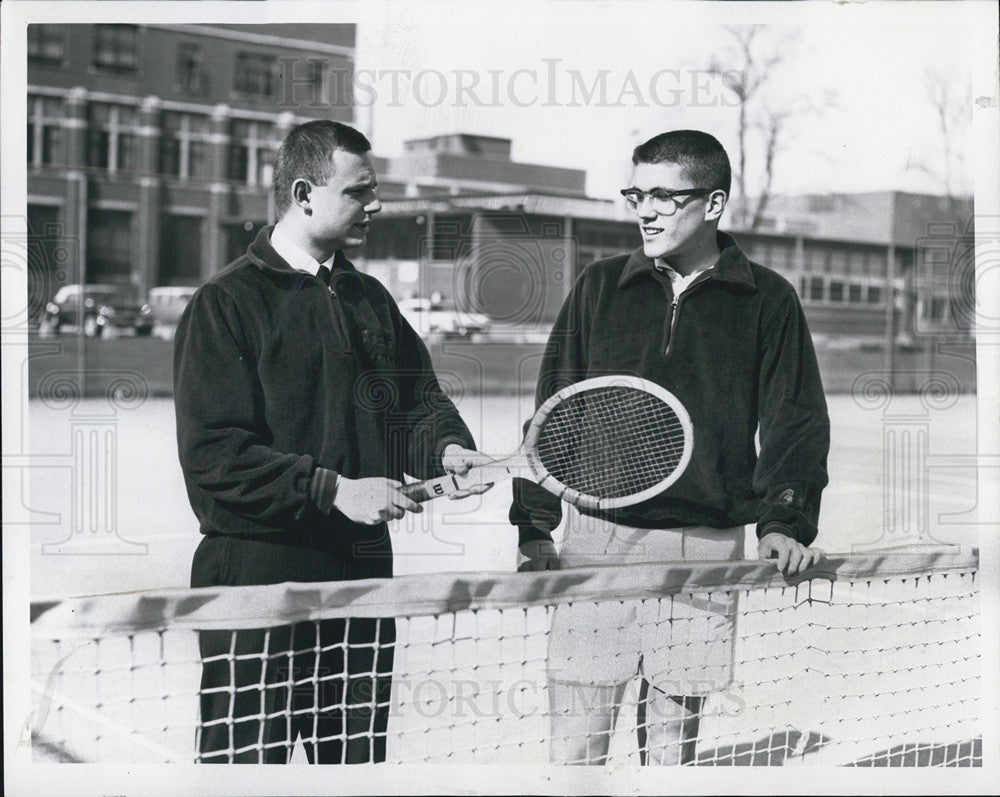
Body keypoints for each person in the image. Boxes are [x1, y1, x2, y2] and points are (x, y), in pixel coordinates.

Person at [510, 130, 830, 765]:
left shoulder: (768, 299)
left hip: (703, 548)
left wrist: (786, 519)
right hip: (596, 541)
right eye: (636, 193)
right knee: (576, 754)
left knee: (669, 756)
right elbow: (553, 413)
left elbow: (794, 418)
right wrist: (534, 526)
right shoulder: (601, 285)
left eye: (662, 195)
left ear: (711, 204)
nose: (644, 210)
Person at [174, 120, 486, 764]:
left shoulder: (369, 297)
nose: (376, 205)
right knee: (244, 768)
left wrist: (447, 449)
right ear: (304, 192)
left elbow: (418, 402)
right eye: (360, 191)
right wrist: (333, 490)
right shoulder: (225, 302)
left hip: (362, 572)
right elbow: (214, 459)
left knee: (352, 766)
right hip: (258, 575)